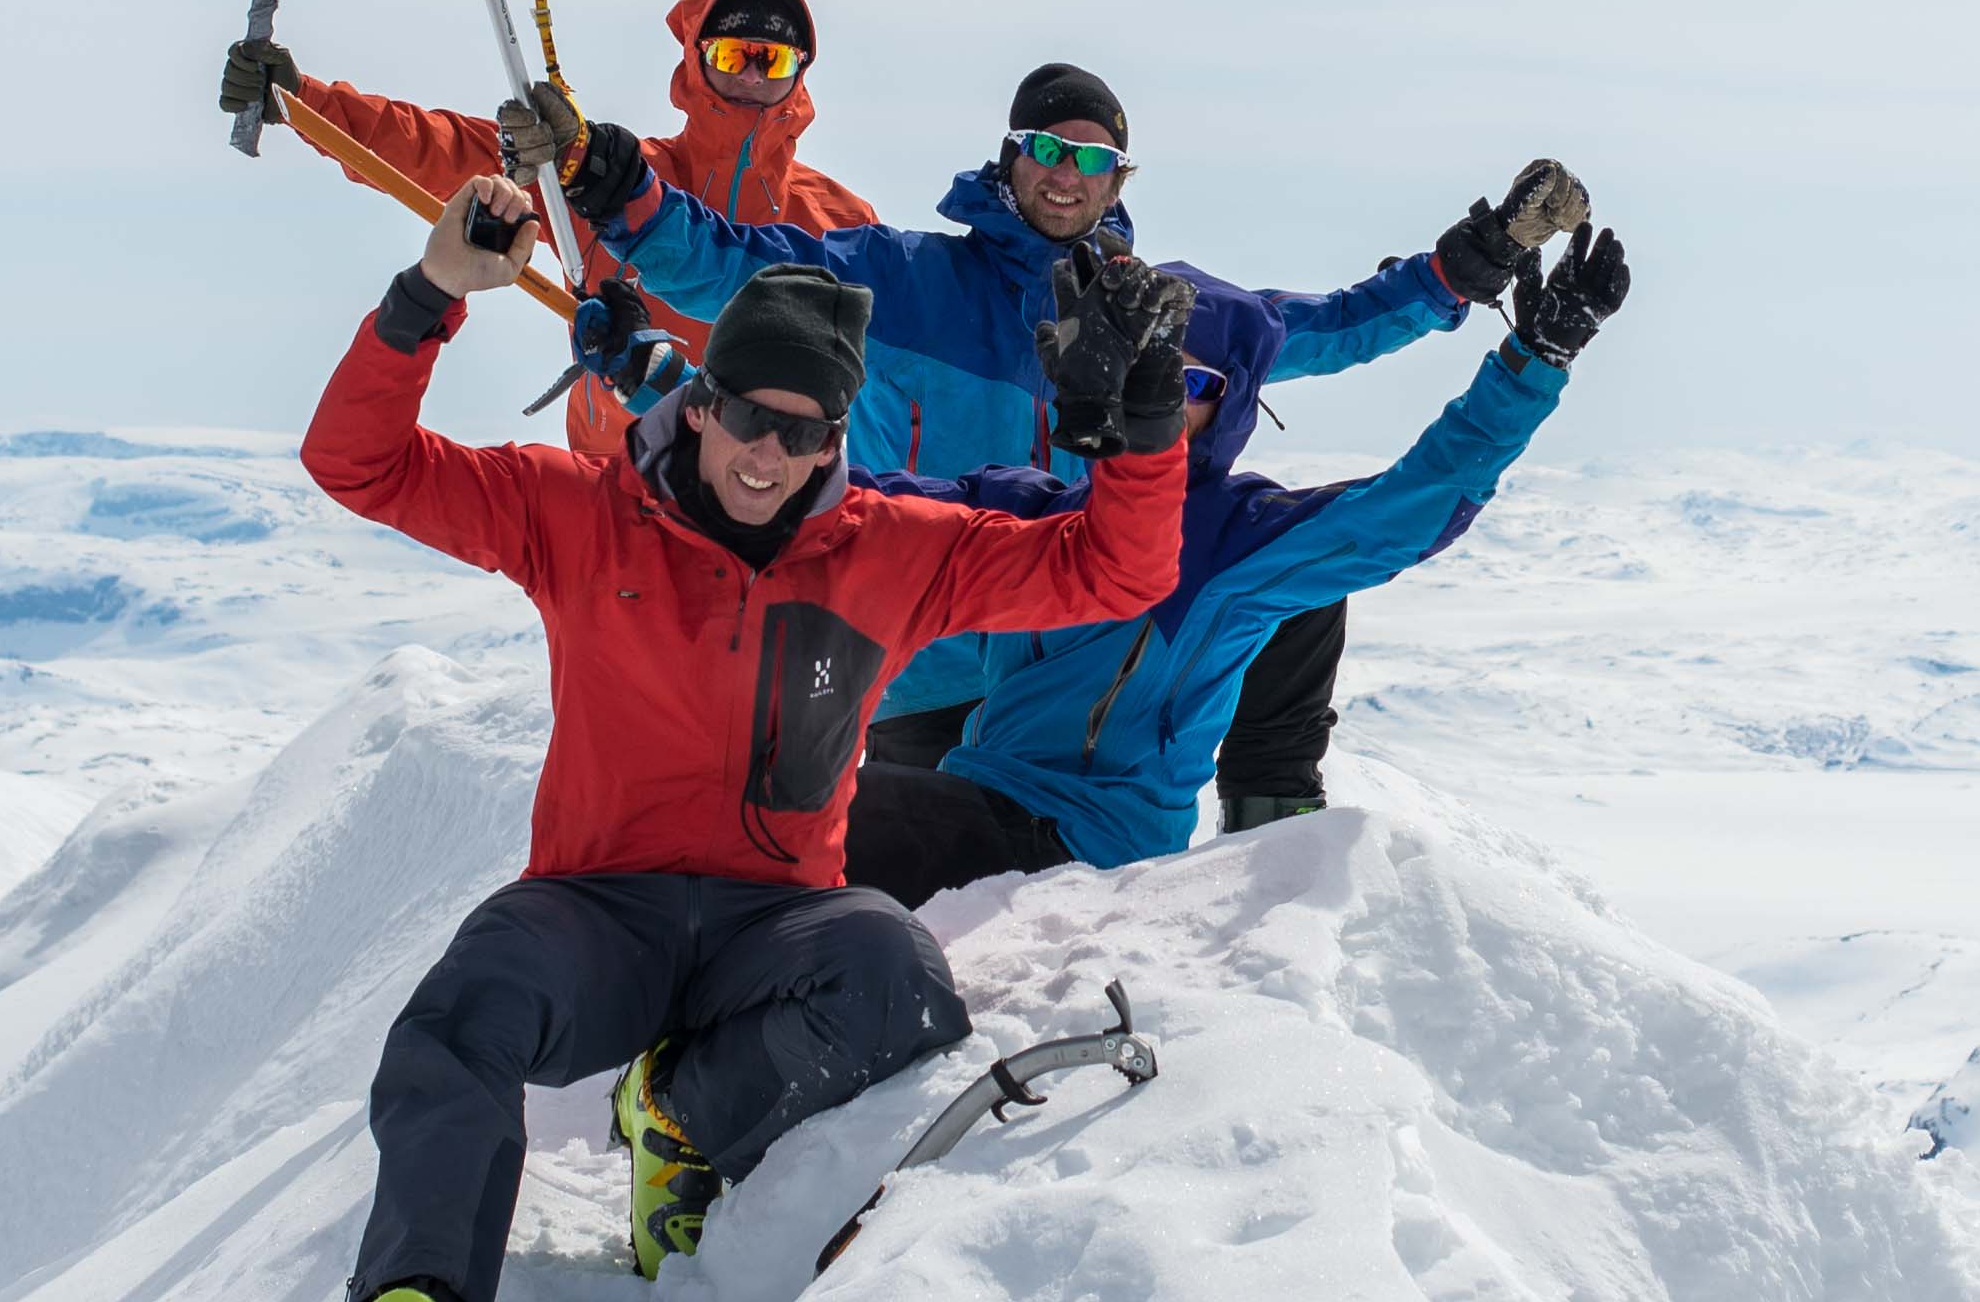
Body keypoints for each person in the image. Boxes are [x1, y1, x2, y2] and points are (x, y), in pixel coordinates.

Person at [299, 169, 1198, 1302]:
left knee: (897, 971)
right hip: (594, 912)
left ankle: (680, 1117)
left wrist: (1148, 423)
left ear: (837, 437)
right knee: (462, 1007)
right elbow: (357, 462)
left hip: (773, 925)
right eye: (750, 416)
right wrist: (430, 294)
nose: (769, 454)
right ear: (704, 399)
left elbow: (1117, 569)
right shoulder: (579, 512)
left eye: (807, 429)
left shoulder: (892, 548)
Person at [570, 65, 1579, 799]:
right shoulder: (902, 278)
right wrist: (630, 202)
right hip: (921, 661)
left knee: (1294, 583)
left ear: (1118, 181)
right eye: (1049, 149)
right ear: (1011, 156)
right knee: (910, 885)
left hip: (1070, 652)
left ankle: (1273, 844)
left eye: (1093, 159)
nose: (1067, 174)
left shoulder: (1143, 311)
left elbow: (1322, 325)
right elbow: (738, 263)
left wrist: (1464, 268)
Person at [849, 225, 1632, 902]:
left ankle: (1274, 813)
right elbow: (868, 507)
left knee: (840, 820)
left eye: (1190, 383)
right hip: (974, 792)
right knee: (799, 804)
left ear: (1232, 404)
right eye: (1146, 365)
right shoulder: (1029, 503)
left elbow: (1413, 505)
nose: (1159, 396)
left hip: (1086, 838)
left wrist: (1533, 363)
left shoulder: (1233, 537)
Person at [221, 0, 870, 456]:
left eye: (771, 58)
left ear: (800, 72)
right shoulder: (611, 179)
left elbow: (881, 391)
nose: (752, 76)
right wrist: (304, 102)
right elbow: (441, 152)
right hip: (616, 499)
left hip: (773, 505)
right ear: (696, 63)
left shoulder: (841, 224)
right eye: (732, 55)